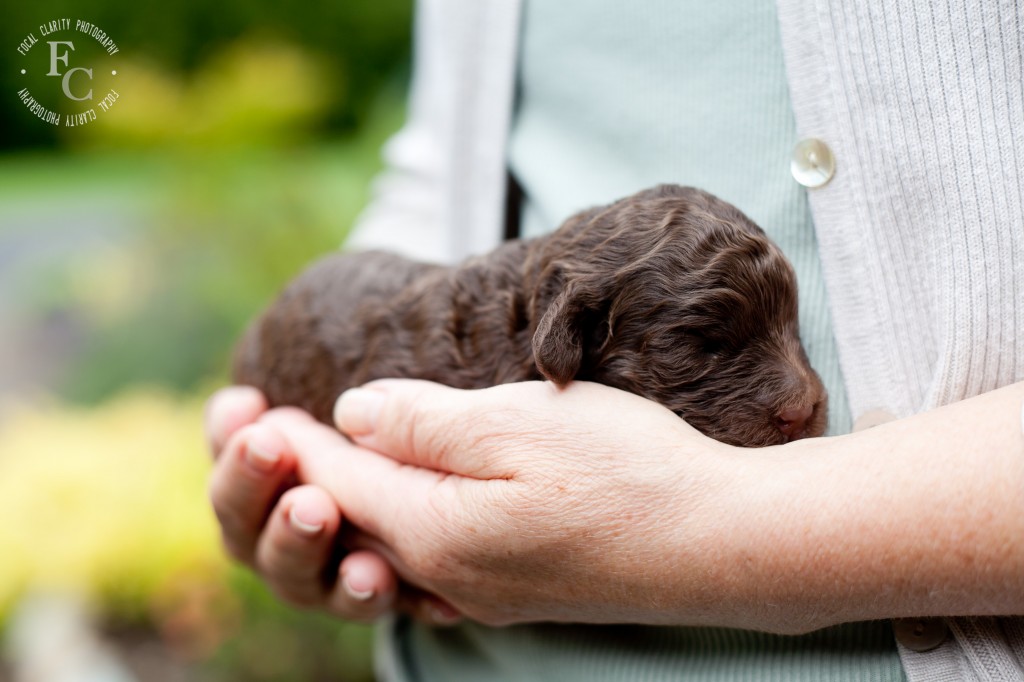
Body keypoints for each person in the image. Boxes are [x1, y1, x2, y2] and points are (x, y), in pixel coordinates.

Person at [207, 1, 1024, 680]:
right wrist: (350, 492)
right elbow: (446, 152)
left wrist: (743, 533)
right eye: (708, 345)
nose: (799, 393)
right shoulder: (540, 325)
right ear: (568, 337)